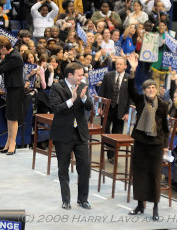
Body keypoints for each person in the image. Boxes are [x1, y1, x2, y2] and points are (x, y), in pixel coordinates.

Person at [127, 53, 169, 221]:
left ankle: (155, 208)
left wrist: (165, 145)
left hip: (156, 144)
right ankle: (139, 205)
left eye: (153, 88)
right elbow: (130, 89)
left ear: (156, 90)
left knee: (154, 176)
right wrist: (133, 70)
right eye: (148, 88)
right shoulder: (139, 101)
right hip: (141, 142)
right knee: (139, 174)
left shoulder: (163, 105)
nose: (151, 90)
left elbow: (165, 127)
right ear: (144, 91)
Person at [49, 62, 93, 210]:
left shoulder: (82, 86)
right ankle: (66, 200)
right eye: (79, 75)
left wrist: (84, 98)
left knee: (85, 168)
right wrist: (72, 100)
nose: (82, 77)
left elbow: (90, 107)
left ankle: (83, 199)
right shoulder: (57, 87)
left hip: (80, 134)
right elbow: (55, 108)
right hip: (63, 135)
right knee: (63, 169)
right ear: (70, 75)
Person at [99, 57, 131, 163]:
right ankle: (108, 149)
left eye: (120, 64)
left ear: (125, 66)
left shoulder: (129, 78)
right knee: (106, 131)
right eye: (117, 64)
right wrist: (100, 107)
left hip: (120, 110)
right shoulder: (108, 76)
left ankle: (112, 155)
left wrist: (127, 113)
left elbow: (131, 97)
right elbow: (102, 92)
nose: (118, 66)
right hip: (108, 108)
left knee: (117, 133)